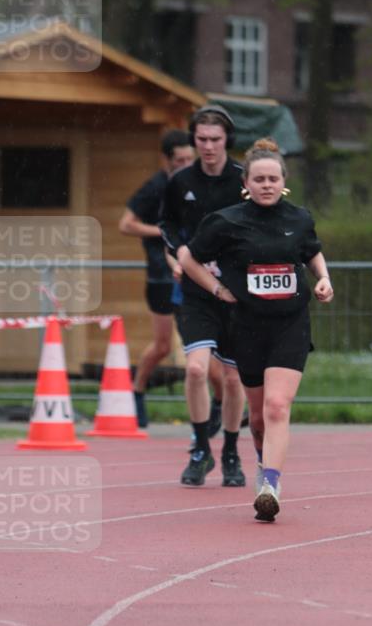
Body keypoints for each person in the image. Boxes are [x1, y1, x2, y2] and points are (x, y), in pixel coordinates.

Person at [180, 138, 333, 521]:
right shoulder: (226, 221)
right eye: (259, 179)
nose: (266, 185)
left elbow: (311, 250)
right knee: (260, 417)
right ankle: (265, 463)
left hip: (290, 324)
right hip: (245, 326)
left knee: (278, 406)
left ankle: (270, 483)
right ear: (246, 184)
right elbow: (189, 258)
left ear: (283, 182)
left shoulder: (298, 218)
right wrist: (217, 289)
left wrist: (323, 279)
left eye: (273, 179)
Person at [159, 105, 247, 487]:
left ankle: (230, 450)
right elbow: (167, 225)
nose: (208, 146)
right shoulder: (180, 181)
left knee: (231, 379)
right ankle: (199, 448)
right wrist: (176, 253)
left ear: (227, 139)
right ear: (193, 140)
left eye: (215, 139)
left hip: (235, 291)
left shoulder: (243, 179)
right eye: (201, 140)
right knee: (195, 368)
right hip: (196, 288)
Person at [119, 129, 223, 431]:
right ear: (166, 160)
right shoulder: (156, 186)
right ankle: (136, 393)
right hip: (162, 276)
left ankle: (220, 406)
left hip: (194, 276)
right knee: (163, 346)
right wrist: (164, 232)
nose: (185, 164)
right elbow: (126, 224)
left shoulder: (197, 183)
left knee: (212, 352)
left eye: (189, 159)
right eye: (179, 159)